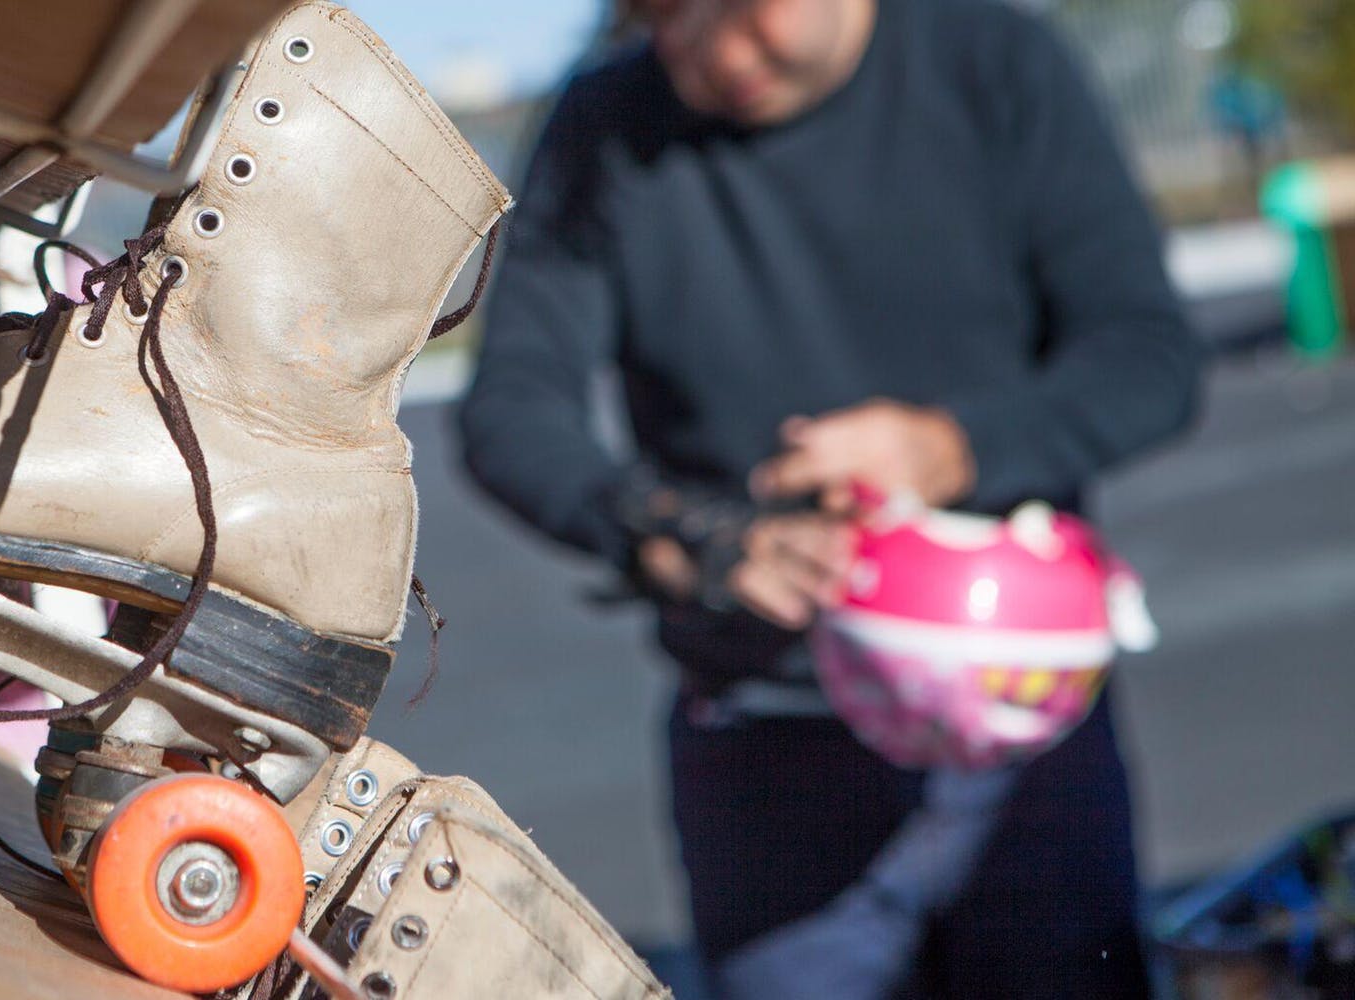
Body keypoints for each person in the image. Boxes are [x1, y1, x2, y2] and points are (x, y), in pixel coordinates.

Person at [457, 0, 1205, 996]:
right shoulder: (604, 128)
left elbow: (1146, 358)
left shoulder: (992, 60)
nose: (712, 51)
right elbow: (511, 410)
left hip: (1022, 729)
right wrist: (695, 536)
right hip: (765, 743)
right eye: (663, 20)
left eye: (735, 6)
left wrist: (947, 449)